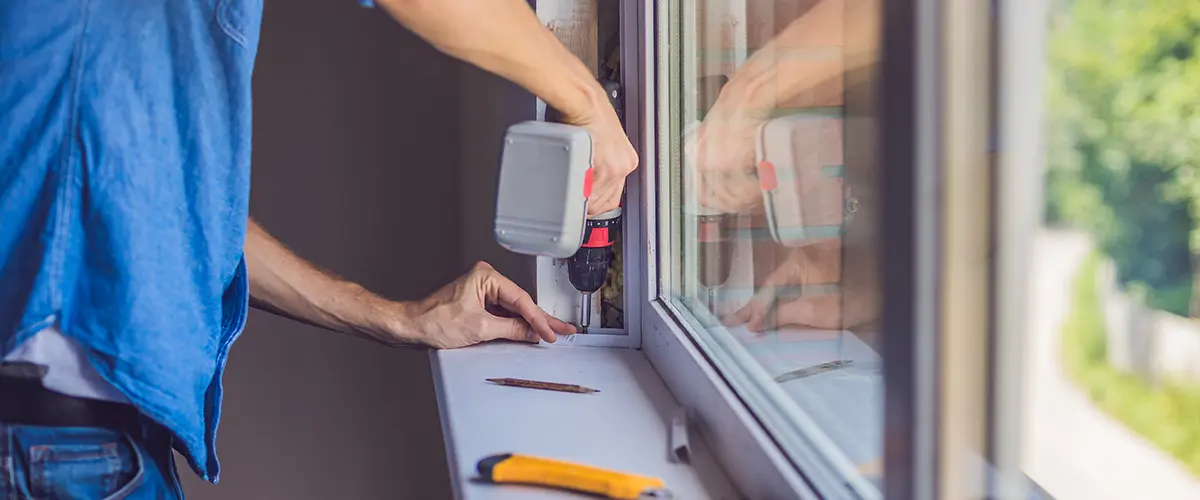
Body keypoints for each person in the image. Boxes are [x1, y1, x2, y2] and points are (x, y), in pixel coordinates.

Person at [0, 0, 637, 497]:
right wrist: (583, 98)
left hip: (80, 445)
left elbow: (178, 220)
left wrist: (400, 318)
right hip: (52, 450)